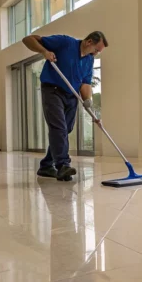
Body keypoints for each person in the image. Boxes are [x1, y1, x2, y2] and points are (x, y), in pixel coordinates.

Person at [22, 31, 107, 181]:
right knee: (59, 127)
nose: (96, 54)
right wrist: (44, 52)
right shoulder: (66, 42)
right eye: (96, 50)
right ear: (89, 42)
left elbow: (85, 84)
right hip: (53, 90)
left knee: (65, 129)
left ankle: (46, 165)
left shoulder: (89, 60)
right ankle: (63, 165)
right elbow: (28, 39)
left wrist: (89, 104)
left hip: (71, 94)